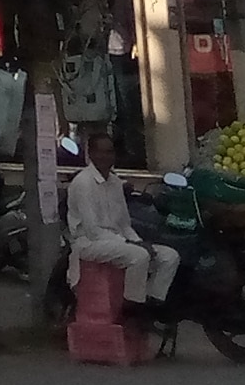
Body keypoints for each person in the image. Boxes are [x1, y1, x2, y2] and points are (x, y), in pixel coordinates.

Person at [60, 132, 176, 310]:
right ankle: (132, 306)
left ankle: (152, 302)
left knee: (169, 256)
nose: (105, 157)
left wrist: (138, 241)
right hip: (88, 243)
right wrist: (130, 244)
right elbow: (93, 231)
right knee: (139, 256)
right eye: (100, 152)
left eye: (109, 152)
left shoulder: (115, 183)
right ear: (91, 154)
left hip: (117, 240)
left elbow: (124, 224)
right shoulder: (83, 183)